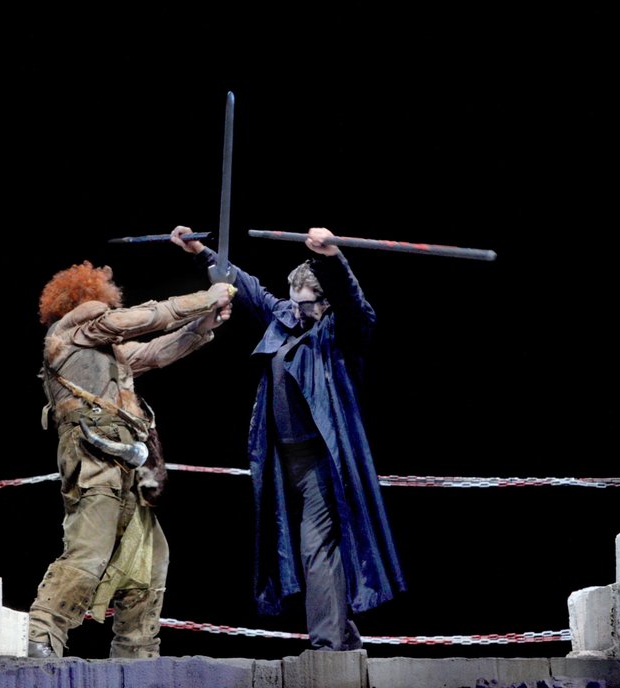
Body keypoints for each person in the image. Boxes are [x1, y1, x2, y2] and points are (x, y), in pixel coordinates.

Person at [171, 225, 405, 652]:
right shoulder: (285, 317)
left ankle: (327, 647)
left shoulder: (342, 332)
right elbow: (249, 288)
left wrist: (332, 258)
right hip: (282, 460)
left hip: (322, 461)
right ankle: (343, 633)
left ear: (325, 302)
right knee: (299, 548)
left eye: (305, 304)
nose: (296, 311)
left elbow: (353, 302)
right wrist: (201, 251)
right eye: (293, 302)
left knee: (316, 547)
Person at [28, 259, 234, 659]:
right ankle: (41, 634)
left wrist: (202, 325)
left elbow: (155, 352)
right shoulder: (71, 330)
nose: (108, 310)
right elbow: (140, 319)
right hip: (93, 457)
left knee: (150, 556)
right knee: (90, 549)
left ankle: (137, 649)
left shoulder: (105, 352)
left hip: (127, 463)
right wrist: (203, 299)